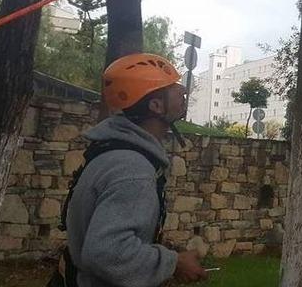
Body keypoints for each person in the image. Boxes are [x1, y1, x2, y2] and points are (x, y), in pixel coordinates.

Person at [50, 53, 207, 287]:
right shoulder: (132, 170)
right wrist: (173, 263)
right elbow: (107, 252)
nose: (182, 91)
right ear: (155, 105)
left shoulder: (113, 150)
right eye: (172, 87)